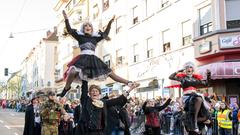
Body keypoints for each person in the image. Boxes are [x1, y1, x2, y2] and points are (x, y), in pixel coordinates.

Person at [57, 10, 140, 97]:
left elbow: (105, 34)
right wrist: (66, 19)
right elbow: (70, 30)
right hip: (82, 59)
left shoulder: (95, 38)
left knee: (110, 73)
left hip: (93, 60)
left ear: (92, 29)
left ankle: (129, 83)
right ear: (83, 28)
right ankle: (66, 88)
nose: (87, 27)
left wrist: (110, 22)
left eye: (89, 25)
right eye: (85, 26)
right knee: (72, 70)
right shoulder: (79, 36)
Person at [169, 62, 211, 134]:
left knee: (205, 109)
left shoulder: (196, 79)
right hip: (187, 97)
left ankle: (197, 121)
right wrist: (178, 71)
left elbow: (207, 84)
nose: (189, 68)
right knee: (199, 98)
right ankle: (194, 123)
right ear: (185, 69)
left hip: (195, 95)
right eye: (187, 67)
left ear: (193, 69)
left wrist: (208, 75)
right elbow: (171, 77)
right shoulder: (182, 78)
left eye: (190, 67)